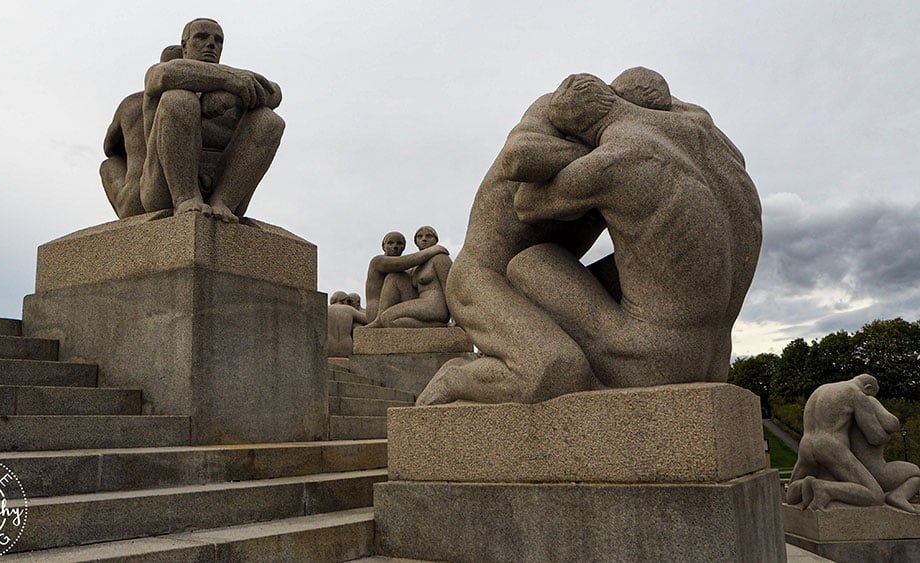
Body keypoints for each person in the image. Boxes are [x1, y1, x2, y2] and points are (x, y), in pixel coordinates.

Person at [418, 69, 760, 405]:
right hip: (486, 277)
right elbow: (517, 161)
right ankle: (457, 378)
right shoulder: (560, 113)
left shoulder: (662, 142)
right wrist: (609, 155)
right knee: (553, 369)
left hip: (551, 271)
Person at [140, 18, 284, 223]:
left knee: (269, 121)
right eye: (201, 37)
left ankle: (223, 202)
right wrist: (228, 79)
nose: (211, 44)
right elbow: (163, 75)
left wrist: (231, 92)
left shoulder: (238, 80)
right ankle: (185, 198)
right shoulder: (162, 71)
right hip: (163, 189)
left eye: (218, 40)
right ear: (184, 46)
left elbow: (274, 93)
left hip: (223, 185)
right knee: (179, 99)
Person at [785, 375, 896, 510]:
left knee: (791, 496)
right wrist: (888, 434)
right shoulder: (856, 394)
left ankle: (805, 485)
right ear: (868, 388)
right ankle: (825, 489)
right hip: (830, 446)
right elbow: (875, 437)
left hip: (805, 445)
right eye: (872, 396)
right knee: (875, 495)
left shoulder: (820, 390)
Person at [100, 45, 182, 218]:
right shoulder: (188, 102)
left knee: (109, 164)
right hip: (170, 193)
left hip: (132, 201)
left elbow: (108, 148)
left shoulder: (130, 103)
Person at [368, 226, 452, 328]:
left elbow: (450, 289)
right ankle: (436, 325)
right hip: (421, 303)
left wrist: (455, 318)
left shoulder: (440, 258)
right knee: (395, 277)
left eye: (429, 236)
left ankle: (441, 325)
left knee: (387, 317)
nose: (424, 239)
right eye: (419, 237)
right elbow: (401, 265)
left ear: (435, 240)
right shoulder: (416, 267)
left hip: (435, 305)